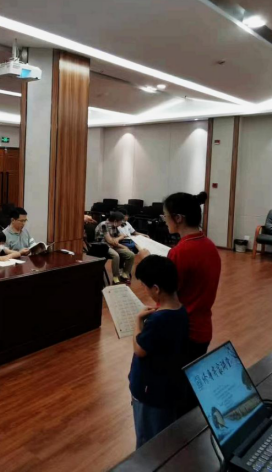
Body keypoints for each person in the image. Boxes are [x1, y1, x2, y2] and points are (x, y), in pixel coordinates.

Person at [129, 255, 188, 448]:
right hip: (168, 390)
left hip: (150, 394)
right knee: (162, 438)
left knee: (147, 443)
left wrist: (137, 322)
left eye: (145, 287)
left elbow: (140, 350)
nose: (145, 290)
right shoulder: (181, 311)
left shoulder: (158, 320)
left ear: (156, 289)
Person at [163, 192, 221, 364]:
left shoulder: (179, 252)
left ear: (178, 218)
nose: (164, 221)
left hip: (183, 331)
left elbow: (166, 297)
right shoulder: (210, 245)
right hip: (203, 329)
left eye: (165, 216)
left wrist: (148, 267)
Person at [97, 211, 135, 285]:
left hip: (112, 246)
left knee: (131, 254)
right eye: (120, 222)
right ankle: (116, 277)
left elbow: (122, 235)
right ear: (115, 221)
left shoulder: (114, 226)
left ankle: (124, 274)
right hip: (102, 246)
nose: (121, 224)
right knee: (115, 255)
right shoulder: (104, 225)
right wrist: (122, 246)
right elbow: (110, 241)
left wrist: (117, 239)